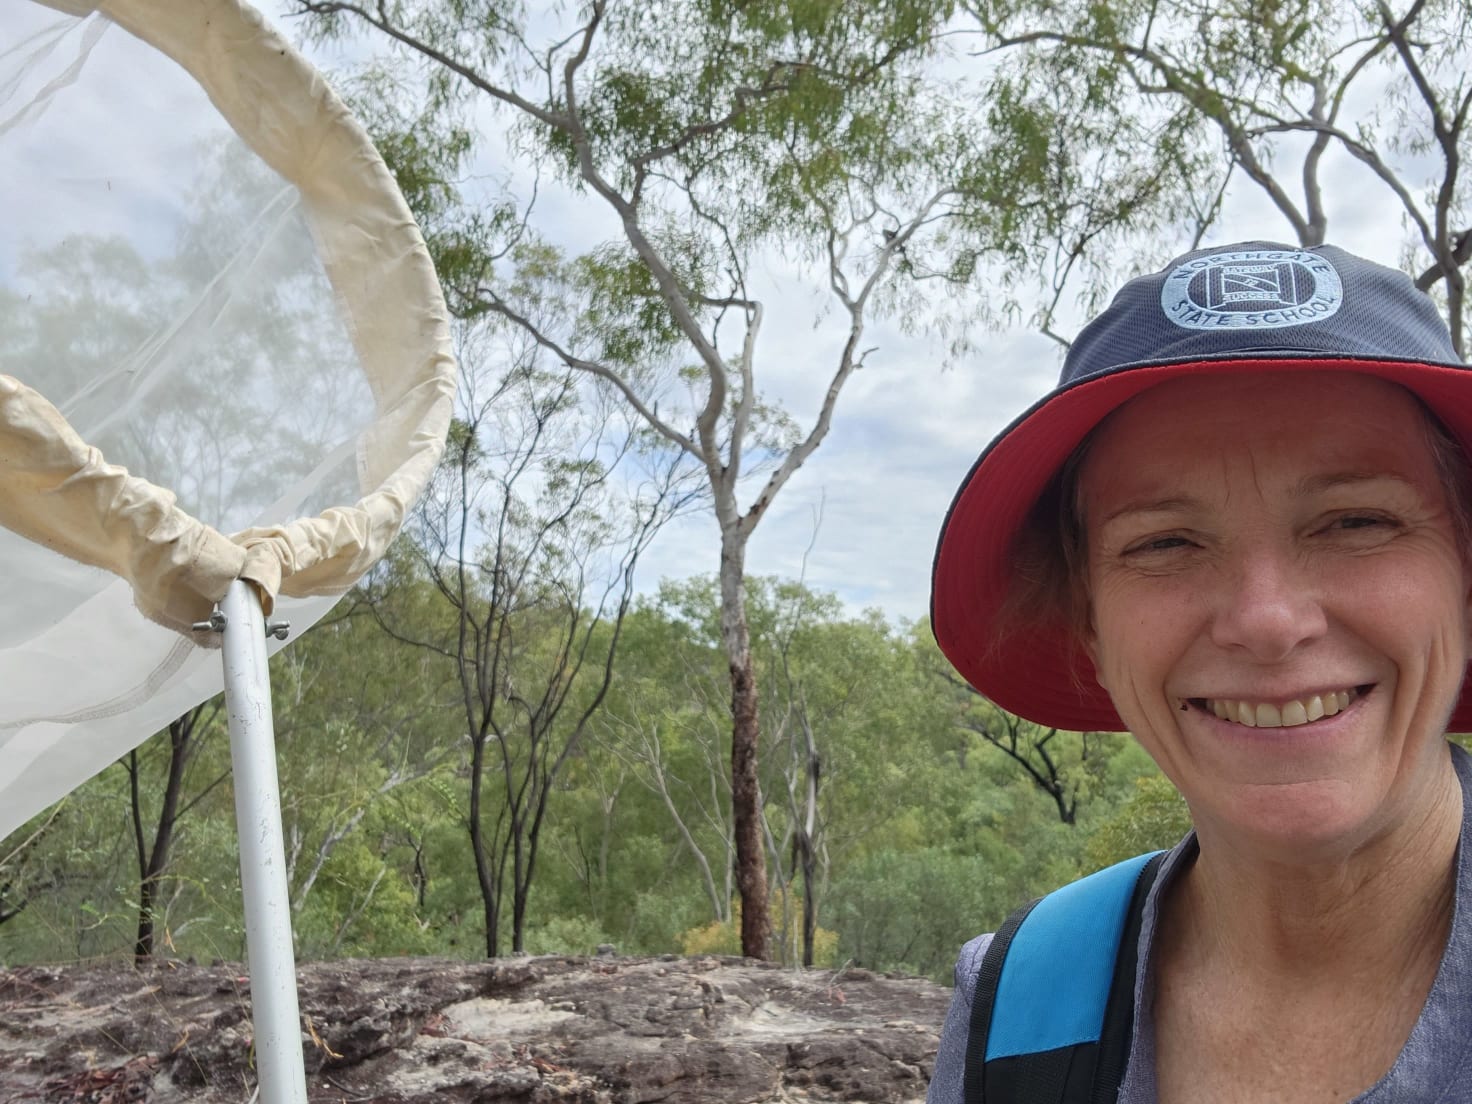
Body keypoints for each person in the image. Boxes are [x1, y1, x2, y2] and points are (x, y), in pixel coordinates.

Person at [926, 241, 1472, 1104]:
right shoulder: (1020, 1009)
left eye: (1356, 521)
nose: (1266, 621)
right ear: (1091, 626)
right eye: (1165, 542)